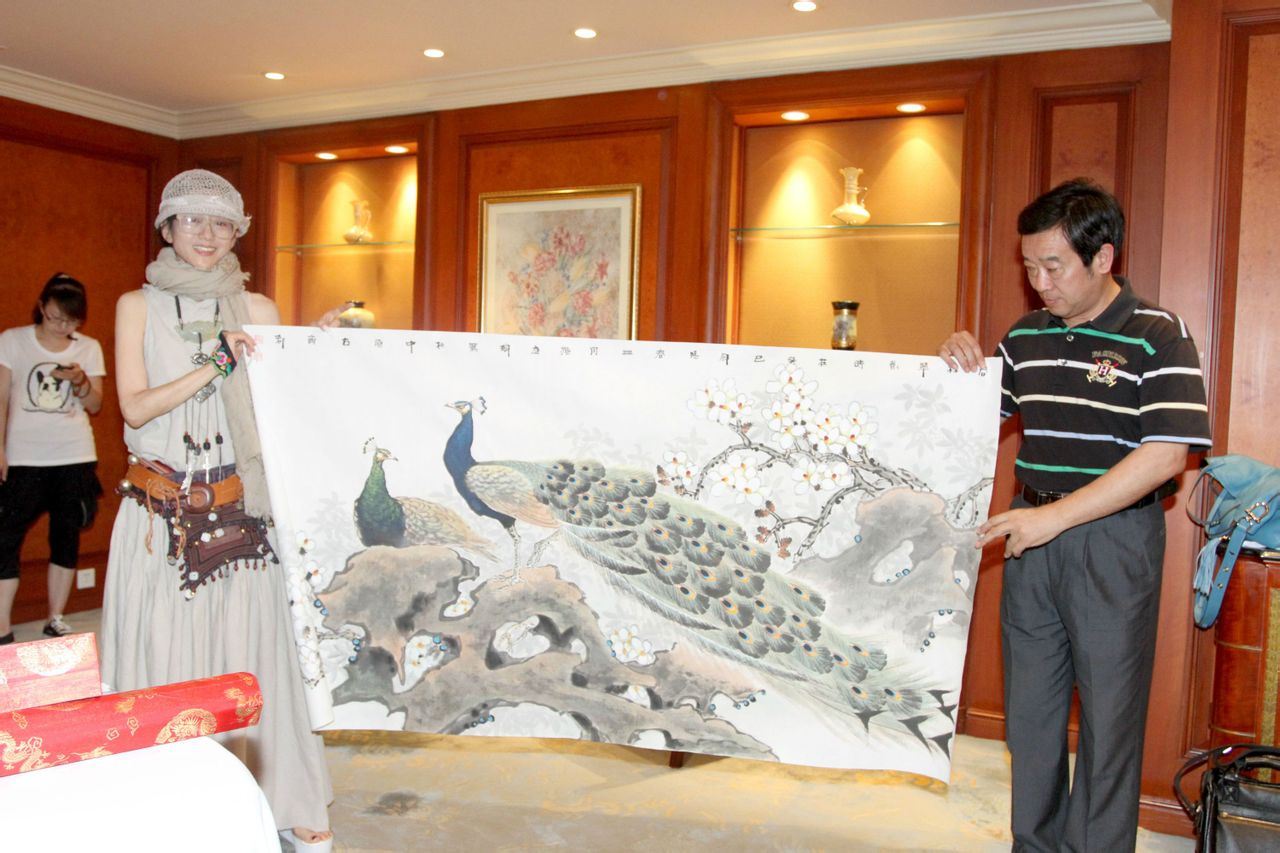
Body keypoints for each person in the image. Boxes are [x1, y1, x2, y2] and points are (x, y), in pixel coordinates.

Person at [940, 178, 1212, 851]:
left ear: (1103, 257)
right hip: (1028, 538)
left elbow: (1166, 456)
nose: (1039, 283)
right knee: (1030, 717)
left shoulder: (1158, 334)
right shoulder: (1025, 336)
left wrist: (1055, 518)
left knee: (1109, 720)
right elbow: (966, 421)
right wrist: (954, 369)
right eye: (1029, 266)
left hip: (1113, 544)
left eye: (1053, 266)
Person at [101, 170, 334, 851]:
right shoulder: (136, 305)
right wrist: (218, 362)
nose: (207, 234)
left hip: (242, 513)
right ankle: (167, 815)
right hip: (160, 520)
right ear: (168, 227)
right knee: (166, 664)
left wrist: (318, 353)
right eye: (192, 220)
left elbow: (288, 402)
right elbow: (135, 408)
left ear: (239, 233)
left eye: (222, 222)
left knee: (256, 661)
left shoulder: (257, 307)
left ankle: (283, 801)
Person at [0, 273, 105, 645]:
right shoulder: (13, 341)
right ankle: (2, 626)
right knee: (5, 537)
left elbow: (95, 404)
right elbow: (1, 399)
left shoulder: (88, 348)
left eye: (71, 321)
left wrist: (79, 380)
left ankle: (55, 618)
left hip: (74, 455)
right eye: (56, 317)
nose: (62, 326)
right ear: (42, 307)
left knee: (66, 537)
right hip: (24, 457)